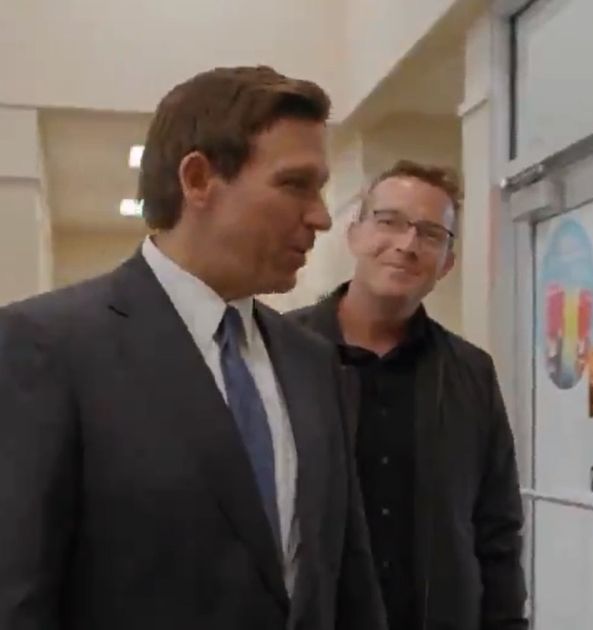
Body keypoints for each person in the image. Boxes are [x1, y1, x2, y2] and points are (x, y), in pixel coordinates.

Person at [0, 66, 385, 630]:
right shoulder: (48, 348)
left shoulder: (313, 361)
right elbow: (18, 596)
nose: (322, 216)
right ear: (199, 178)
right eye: (295, 184)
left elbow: (347, 578)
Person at [290, 160, 528, 630]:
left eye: (430, 234)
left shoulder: (470, 374)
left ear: (447, 263)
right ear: (355, 234)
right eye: (389, 222)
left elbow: (496, 530)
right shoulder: (281, 351)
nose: (406, 245)